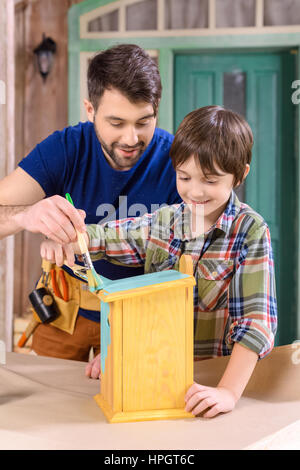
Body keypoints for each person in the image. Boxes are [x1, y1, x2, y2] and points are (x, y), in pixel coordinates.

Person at [41, 105, 277, 417]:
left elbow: (256, 323)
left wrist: (228, 392)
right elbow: (110, 237)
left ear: (240, 175)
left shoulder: (251, 231)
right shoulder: (164, 221)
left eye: (210, 180)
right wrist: (69, 236)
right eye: (184, 176)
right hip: (154, 376)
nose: (194, 191)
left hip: (210, 380)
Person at [0, 44, 180, 362]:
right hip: (66, 312)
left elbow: (200, 254)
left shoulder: (179, 161)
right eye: (116, 123)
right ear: (90, 110)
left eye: (143, 122)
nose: (130, 138)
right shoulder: (65, 148)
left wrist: (131, 340)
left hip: (144, 316)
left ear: (157, 109)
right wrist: (27, 214)